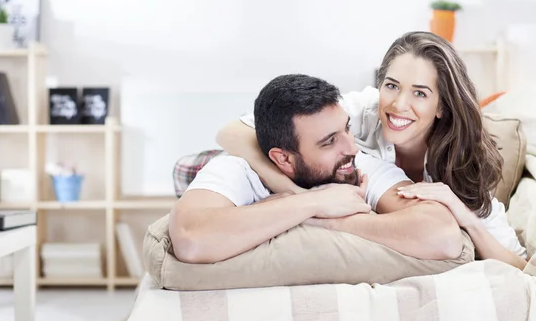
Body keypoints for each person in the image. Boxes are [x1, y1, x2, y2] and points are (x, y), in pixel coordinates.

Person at [216, 32, 528, 270]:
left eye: (419, 93)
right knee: (200, 167)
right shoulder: (361, 112)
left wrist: (466, 218)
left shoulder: (463, 167)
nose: (398, 105)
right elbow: (230, 133)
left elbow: (520, 266)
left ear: (442, 106)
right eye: (392, 86)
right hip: (303, 171)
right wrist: (299, 197)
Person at [169, 74, 465, 264]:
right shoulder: (235, 169)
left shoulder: (357, 164)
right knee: (184, 168)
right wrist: (314, 202)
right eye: (329, 142)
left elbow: (443, 235)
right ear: (283, 159)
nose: (351, 147)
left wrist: (328, 220)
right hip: (205, 161)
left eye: (347, 129)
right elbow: (191, 239)